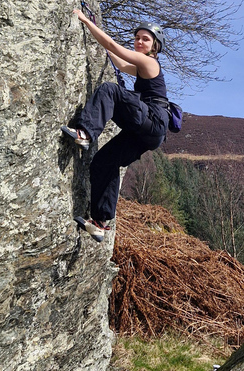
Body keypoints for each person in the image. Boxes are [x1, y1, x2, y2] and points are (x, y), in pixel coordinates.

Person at [63, 9, 171, 242]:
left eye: (145, 39)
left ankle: (85, 132)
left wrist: (85, 20)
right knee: (104, 162)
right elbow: (120, 63)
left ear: (155, 47)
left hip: (151, 119)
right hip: (148, 133)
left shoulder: (149, 62)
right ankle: (100, 223)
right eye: (137, 37)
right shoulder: (142, 66)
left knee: (110, 90)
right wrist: (98, 38)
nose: (139, 41)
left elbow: (113, 46)